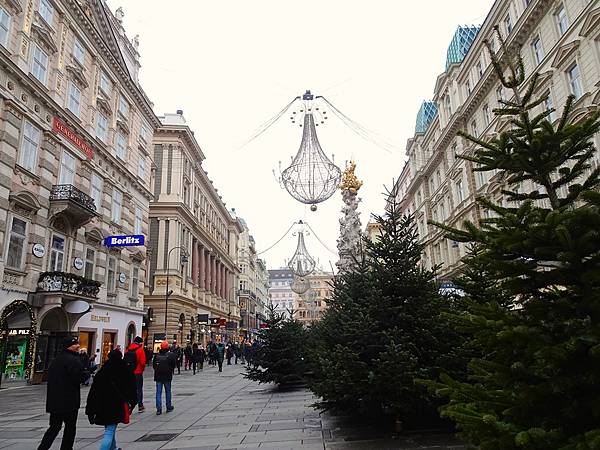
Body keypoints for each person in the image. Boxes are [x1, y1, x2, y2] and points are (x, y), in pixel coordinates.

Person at [38, 336, 88, 450]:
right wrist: (86, 373)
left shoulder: (56, 360)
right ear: (69, 346)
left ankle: (42, 448)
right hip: (69, 401)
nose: (78, 346)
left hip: (55, 401)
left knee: (54, 427)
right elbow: (79, 377)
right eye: (75, 344)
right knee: (70, 428)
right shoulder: (73, 360)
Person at [85, 349, 136, 450]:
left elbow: (93, 392)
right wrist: (132, 403)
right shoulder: (125, 370)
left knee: (109, 428)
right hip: (117, 405)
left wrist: (90, 410)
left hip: (102, 405)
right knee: (109, 431)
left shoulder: (102, 371)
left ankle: (114, 448)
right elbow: (132, 389)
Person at [124, 336, 147, 412]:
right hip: (137, 372)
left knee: (128, 388)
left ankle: (128, 405)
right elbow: (143, 362)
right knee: (139, 389)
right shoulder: (140, 350)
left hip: (128, 373)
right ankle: (140, 405)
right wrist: (141, 369)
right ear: (140, 343)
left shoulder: (128, 349)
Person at [154, 341, 176, 415]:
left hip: (158, 376)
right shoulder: (171, 355)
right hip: (167, 376)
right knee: (168, 391)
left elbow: (154, 366)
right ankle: (168, 407)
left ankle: (159, 409)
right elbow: (173, 365)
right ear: (167, 347)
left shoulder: (157, 355)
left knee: (158, 393)